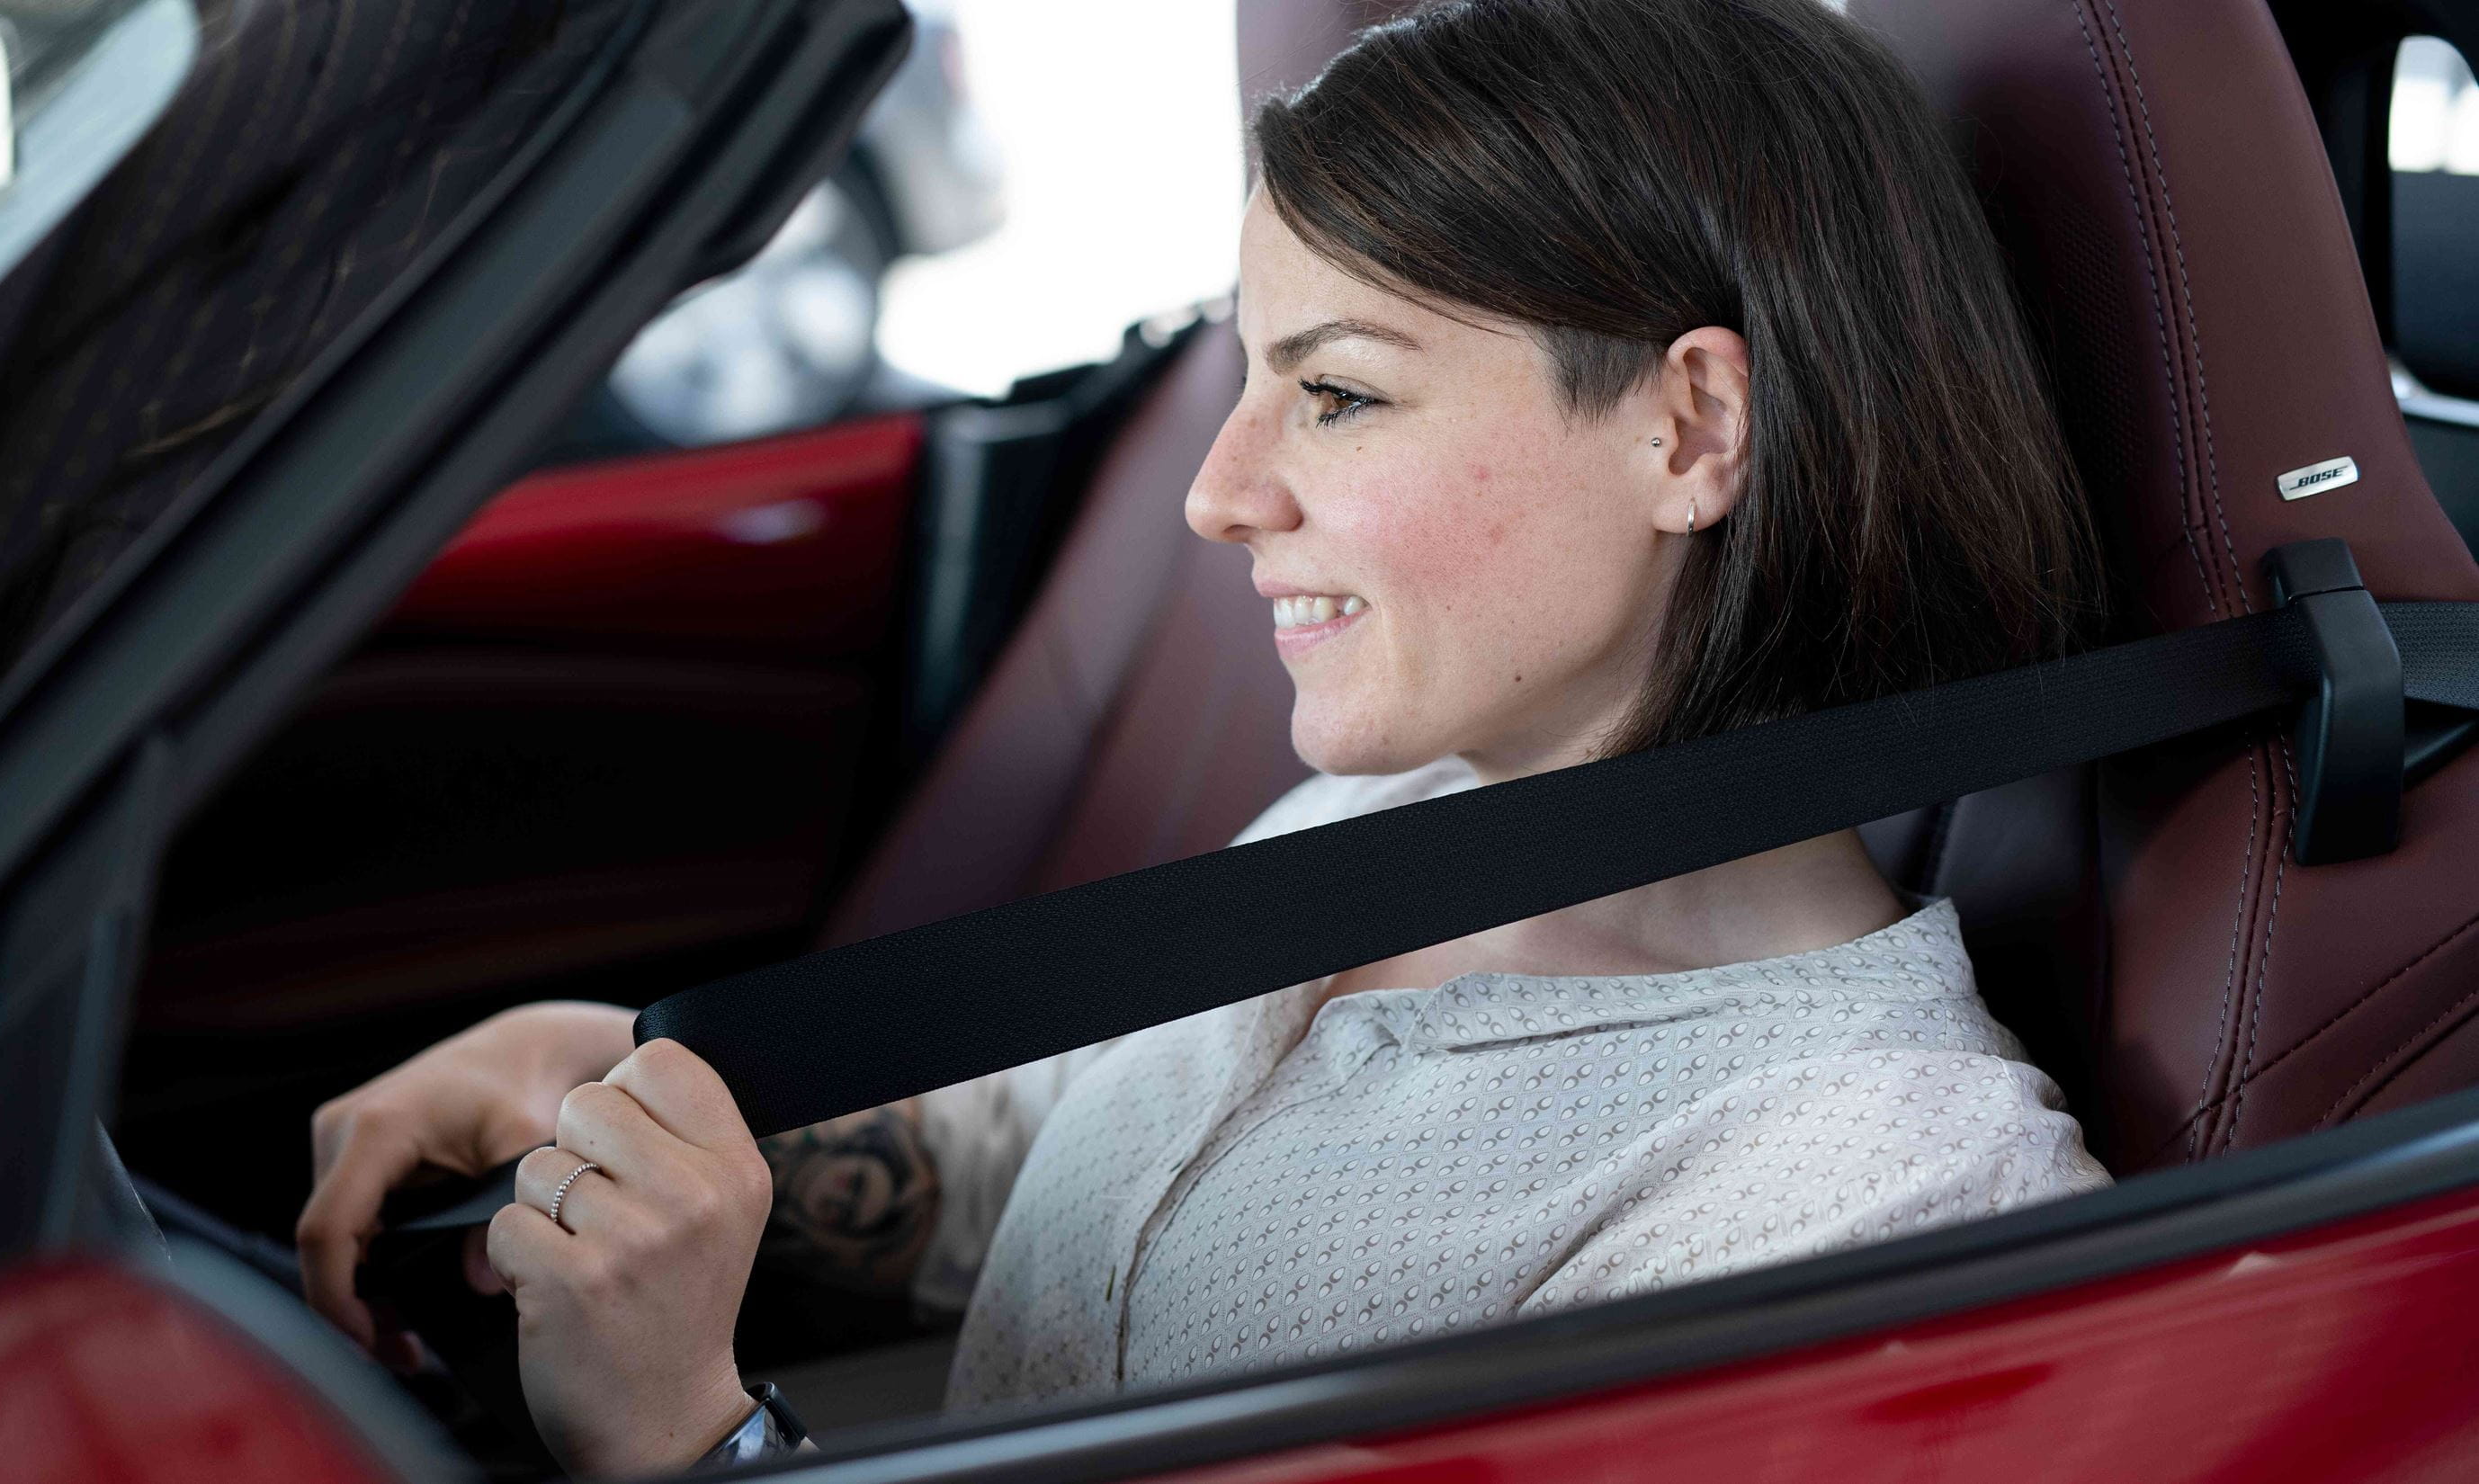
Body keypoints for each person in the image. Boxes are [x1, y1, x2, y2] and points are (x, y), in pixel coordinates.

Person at [294, 0, 2117, 1471]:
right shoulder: (1378, 817)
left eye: (1334, 392)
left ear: (1689, 431)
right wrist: (627, 1088)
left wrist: (692, 1442)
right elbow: (1050, 1172)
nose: (1219, 496)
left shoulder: (1862, 1209)